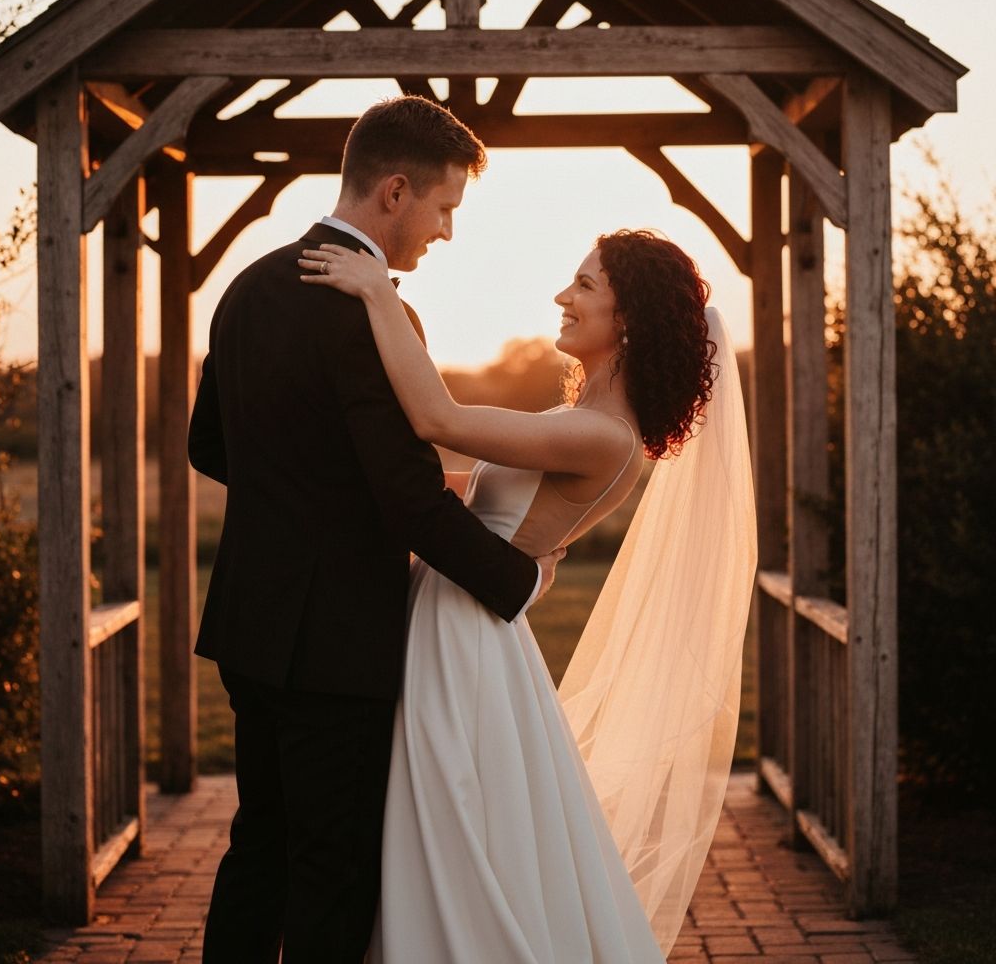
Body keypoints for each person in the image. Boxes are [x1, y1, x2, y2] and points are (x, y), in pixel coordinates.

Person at [298, 228, 758, 962]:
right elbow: (455, 494)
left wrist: (377, 293)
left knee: (444, 822)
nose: (562, 298)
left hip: (464, 633)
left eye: (584, 286)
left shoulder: (606, 436)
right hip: (458, 614)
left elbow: (438, 421)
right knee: (445, 821)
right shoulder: (579, 426)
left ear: (628, 317)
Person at [188, 96, 564, 964]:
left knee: (262, 848)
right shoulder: (372, 313)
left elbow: (209, 442)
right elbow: (407, 500)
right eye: (444, 209)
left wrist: (302, 504)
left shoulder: (248, 287)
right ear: (395, 191)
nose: (447, 232)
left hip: (250, 626)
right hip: (336, 644)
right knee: (332, 869)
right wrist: (516, 579)